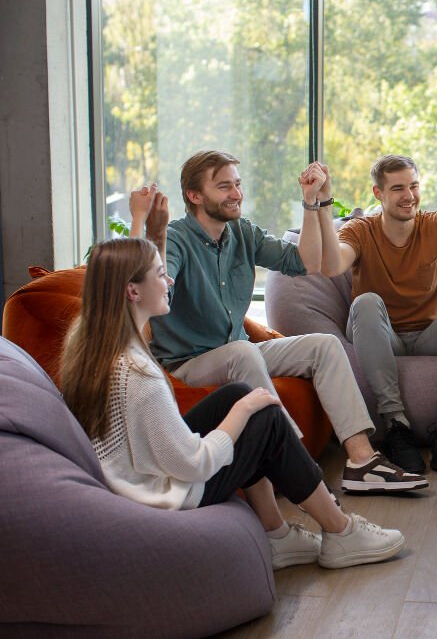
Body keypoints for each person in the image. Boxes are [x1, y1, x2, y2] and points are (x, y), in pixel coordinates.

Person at [61, 235, 407, 571]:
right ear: (132, 291)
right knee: (263, 416)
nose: (169, 279)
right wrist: (240, 416)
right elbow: (194, 464)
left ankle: (276, 534)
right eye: (158, 273)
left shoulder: (98, 348)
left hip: (143, 477)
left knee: (240, 393)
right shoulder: (139, 375)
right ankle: (339, 530)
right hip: (167, 497)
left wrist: (242, 405)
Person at [132, 153, 427, 494]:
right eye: (224, 186)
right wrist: (151, 230)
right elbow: (154, 284)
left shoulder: (241, 232)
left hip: (241, 350)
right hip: (189, 362)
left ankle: (362, 462)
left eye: (238, 184)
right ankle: (295, 465)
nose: (236, 194)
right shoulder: (177, 240)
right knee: (243, 352)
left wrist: (310, 203)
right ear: (195, 196)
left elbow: (306, 262)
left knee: (323, 346)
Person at [328, 144, 437, 474]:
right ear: (378, 192)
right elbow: (334, 263)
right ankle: (396, 426)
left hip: (429, 335)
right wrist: (319, 209)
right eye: (398, 188)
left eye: (414, 186)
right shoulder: (359, 230)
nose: (409, 195)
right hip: (382, 335)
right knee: (365, 303)